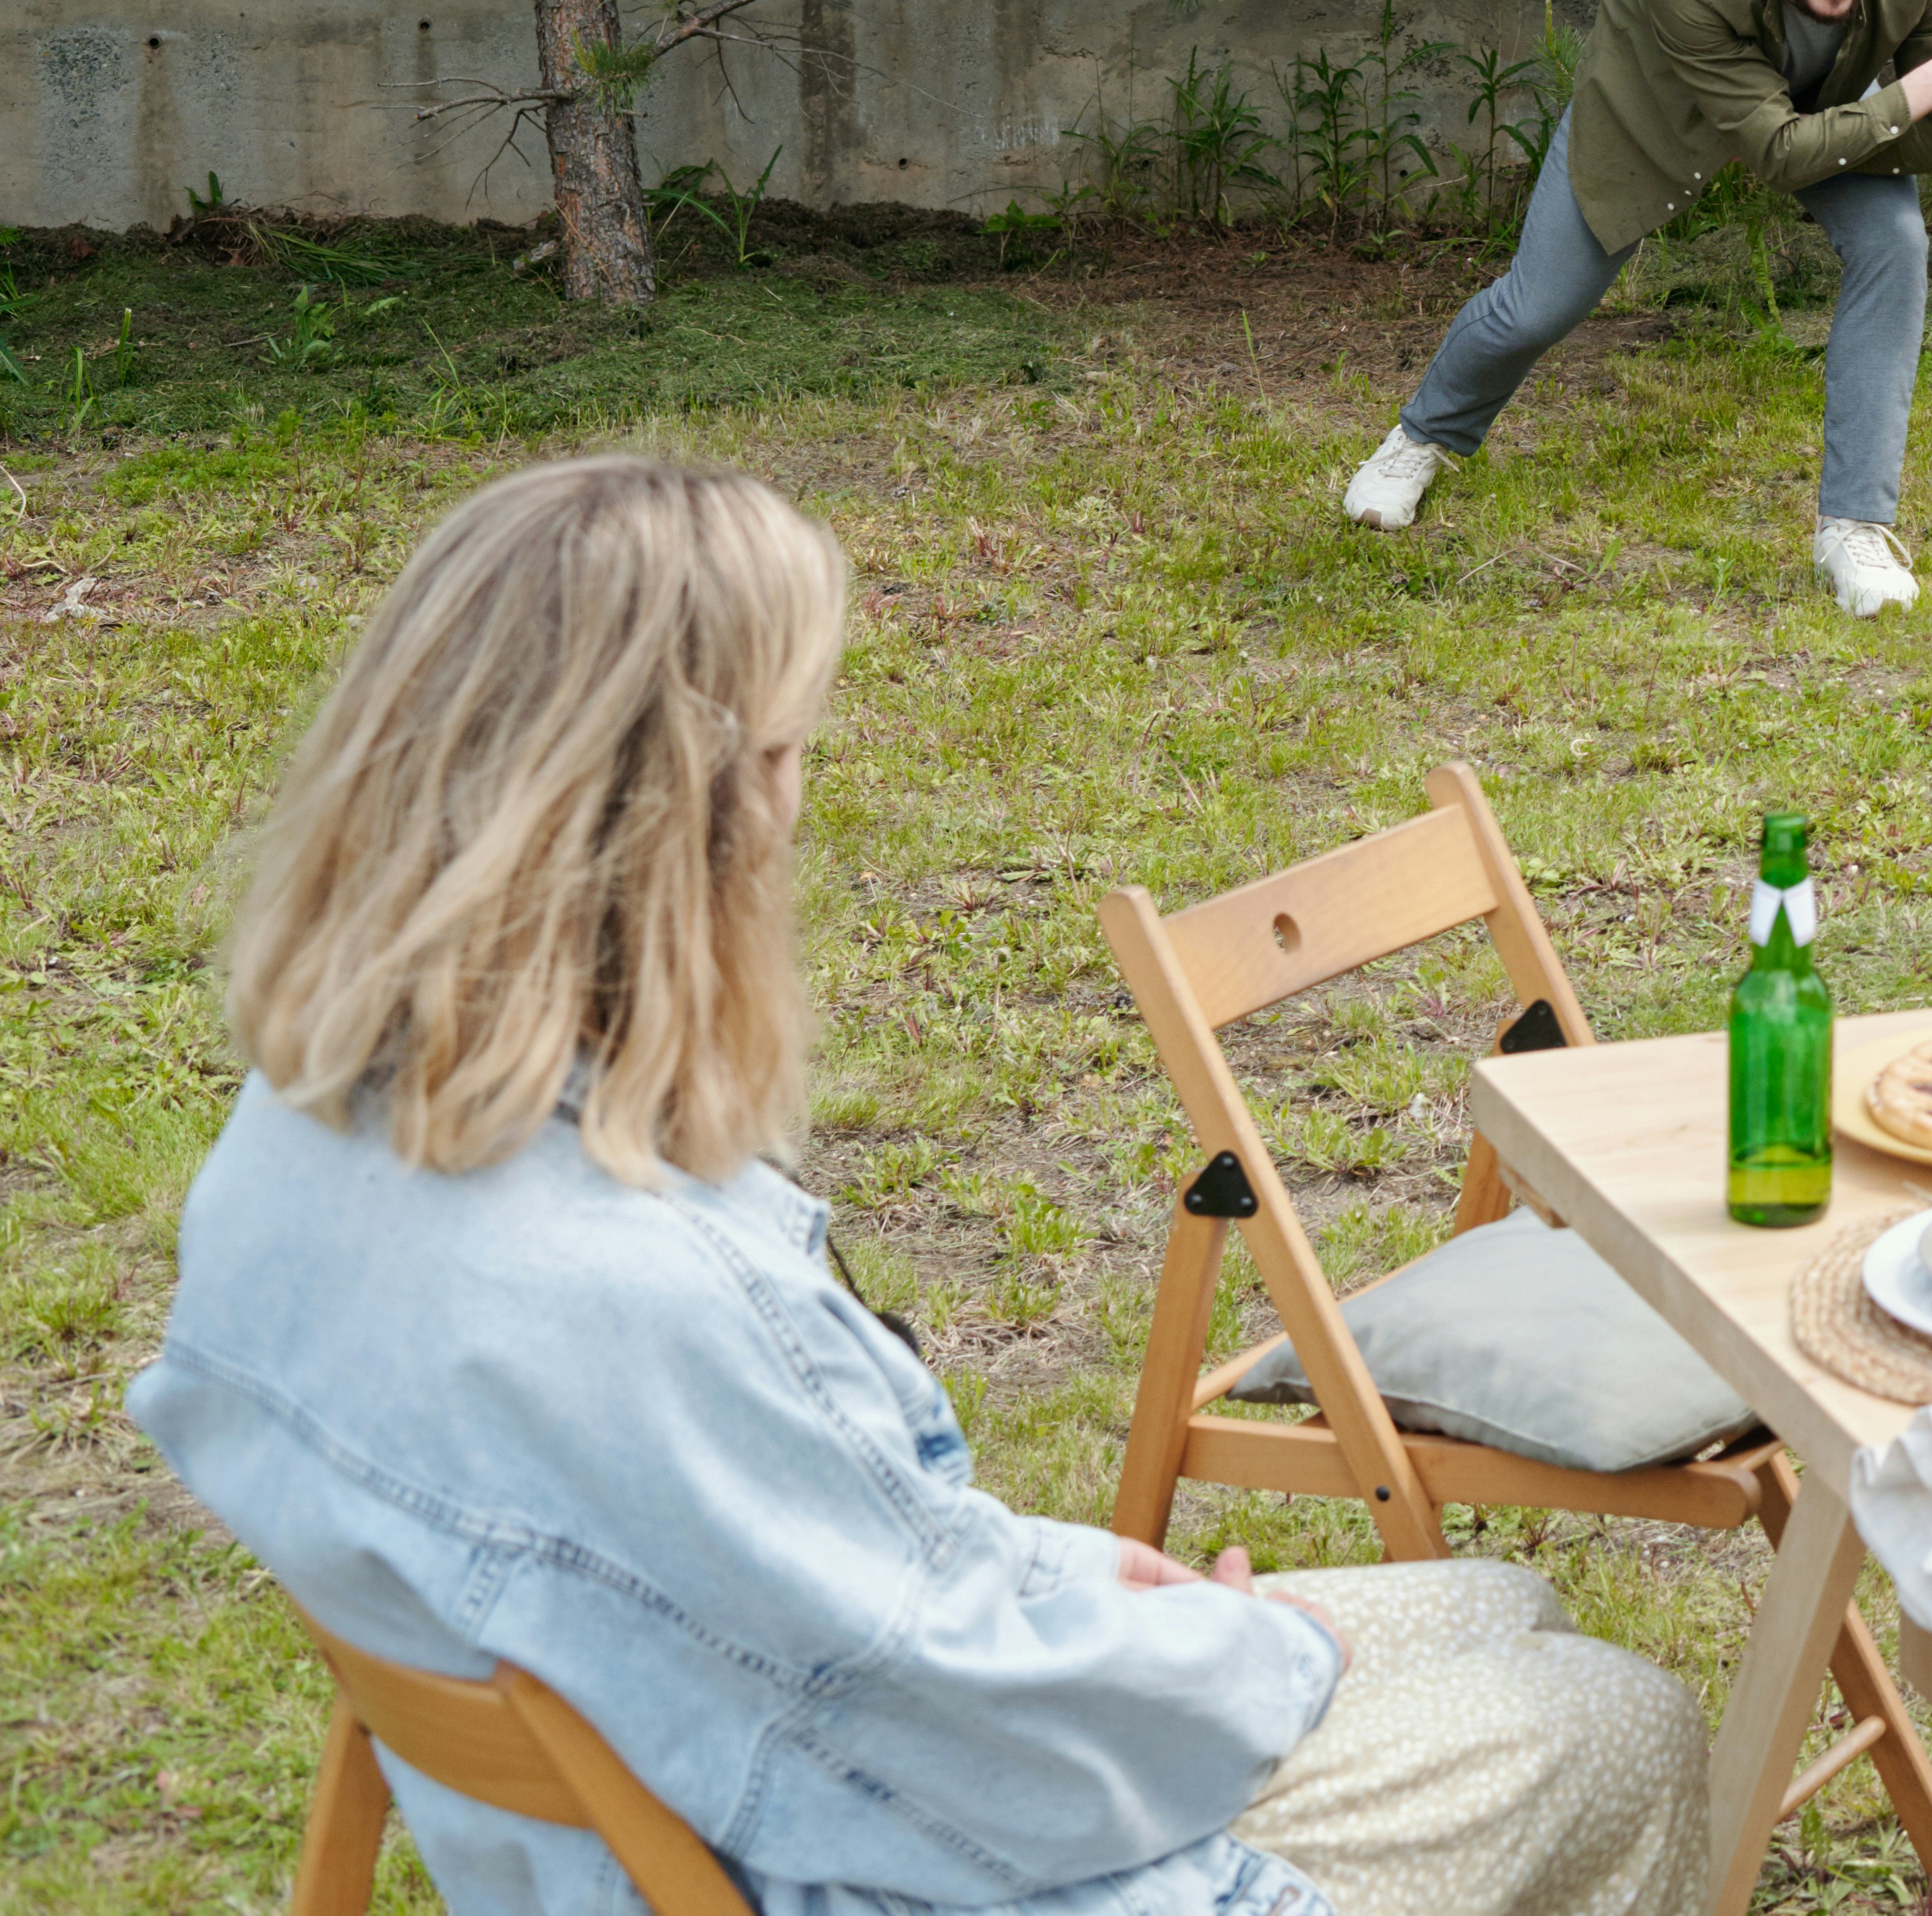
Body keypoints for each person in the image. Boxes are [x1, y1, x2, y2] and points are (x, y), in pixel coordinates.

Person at [128, 456, 1706, 1916]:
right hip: (864, 1860)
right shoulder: (639, 1289)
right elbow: (954, 1719)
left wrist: (1083, 1580)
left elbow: (843, 1589)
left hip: (669, 1797)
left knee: (1496, 1605)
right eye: (793, 748)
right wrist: (1248, 1651)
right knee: (1616, 1722)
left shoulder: (291, 1141)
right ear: (693, 813)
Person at [1340, 0, 1932, 615]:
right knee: (1538, 306)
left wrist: (1860, 121)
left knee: (1897, 246)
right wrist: (1929, 82)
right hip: (1651, 117)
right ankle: (1422, 436)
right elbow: (1787, 147)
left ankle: (1855, 527)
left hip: (1825, 120)